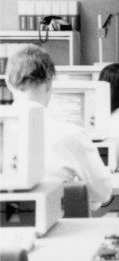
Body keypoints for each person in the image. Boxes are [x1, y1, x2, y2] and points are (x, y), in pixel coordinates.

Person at [5, 45, 112, 210]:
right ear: (49, 84)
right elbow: (102, 192)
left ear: (8, 83)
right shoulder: (72, 135)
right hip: (54, 221)